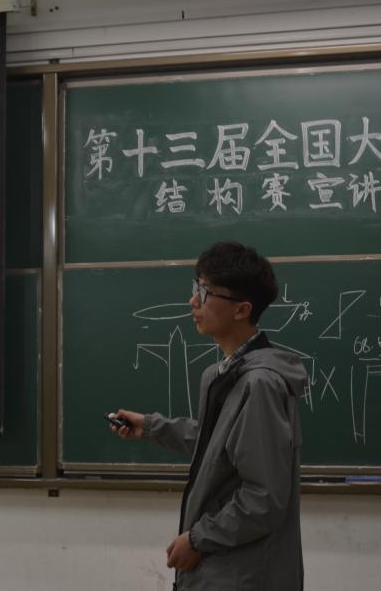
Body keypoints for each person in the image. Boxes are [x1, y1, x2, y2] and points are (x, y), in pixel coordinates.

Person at [110, 241, 307, 590]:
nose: (193, 301)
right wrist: (152, 427)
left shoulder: (259, 384)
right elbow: (216, 444)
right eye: (195, 287)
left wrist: (198, 539)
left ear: (241, 310)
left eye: (205, 292)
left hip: (244, 575)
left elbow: (263, 498)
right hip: (221, 571)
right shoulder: (220, 374)